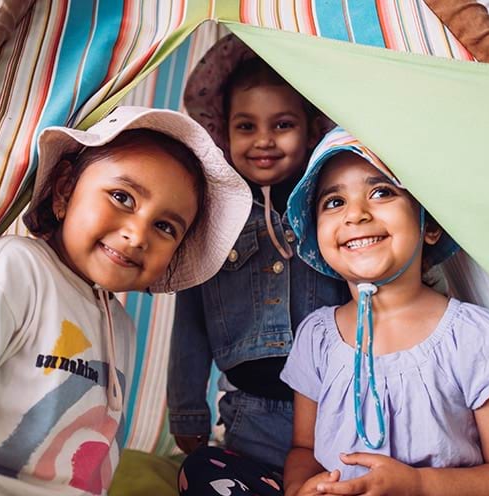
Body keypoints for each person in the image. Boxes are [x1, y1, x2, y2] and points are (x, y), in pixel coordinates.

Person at [0, 106, 252, 496]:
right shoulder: (14, 269)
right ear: (64, 191)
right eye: (122, 197)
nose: (138, 234)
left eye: (165, 226)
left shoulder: (119, 323)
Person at [280, 127, 489, 496]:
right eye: (334, 202)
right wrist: (299, 487)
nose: (355, 214)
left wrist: (417, 484)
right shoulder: (316, 337)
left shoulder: (473, 336)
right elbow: (304, 450)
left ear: (430, 225)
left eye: (381, 192)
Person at [168, 35, 350, 495]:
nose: (263, 140)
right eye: (246, 126)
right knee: (204, 471)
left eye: (282, 124)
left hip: (338, 413)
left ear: (310, 132)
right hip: (251, 416)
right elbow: (189, 322)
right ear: (224, 133)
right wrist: (187, 409)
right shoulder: (213, 219)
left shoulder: (327, 209)